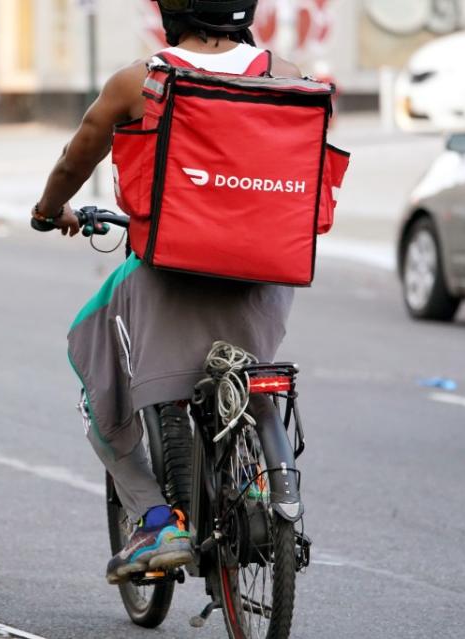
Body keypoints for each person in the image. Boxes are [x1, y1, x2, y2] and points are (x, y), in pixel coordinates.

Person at [31, 0, 303, 585]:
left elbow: (81, 152)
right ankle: (254, 484)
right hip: (267, 282)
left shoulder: (142, 79)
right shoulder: (288, 75)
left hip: (169, 274)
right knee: (250, 375)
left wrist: (50, 209)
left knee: (93, 359)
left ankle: (157, 521)